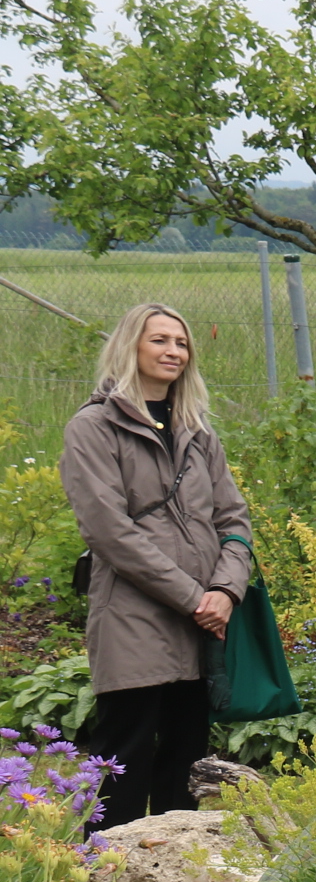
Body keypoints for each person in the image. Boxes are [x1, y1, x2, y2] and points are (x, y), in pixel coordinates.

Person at [58, 305, 255, 827]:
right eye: (160, 340)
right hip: (132, 618)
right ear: (131, 347)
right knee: (123, 760)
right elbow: (108, 531)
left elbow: (233, 518)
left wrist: (226, 590)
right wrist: (194, 598)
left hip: (202, 623)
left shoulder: (197, 430)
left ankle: (173, 868)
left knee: (185, 761)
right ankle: (107, 869)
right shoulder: (94, 427)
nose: (173, 351)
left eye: (181, 342)